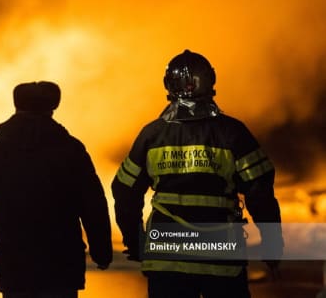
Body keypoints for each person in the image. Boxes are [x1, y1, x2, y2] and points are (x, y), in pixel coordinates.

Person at [112, 50, 283, 298]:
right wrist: (272, 245)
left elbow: (124, 189)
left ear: (168, 85)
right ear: (210, 81)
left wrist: (136, 240)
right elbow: (260, 193)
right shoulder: (233, 133)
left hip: (166, 261)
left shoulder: (152, 135)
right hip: (221, 258)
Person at [0, 81, 113, 298]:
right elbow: (94, 205)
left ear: (16, 105)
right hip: (62, 267)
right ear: (52, 108)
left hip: (15, 268)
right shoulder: (71, 150)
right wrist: (102, 253)